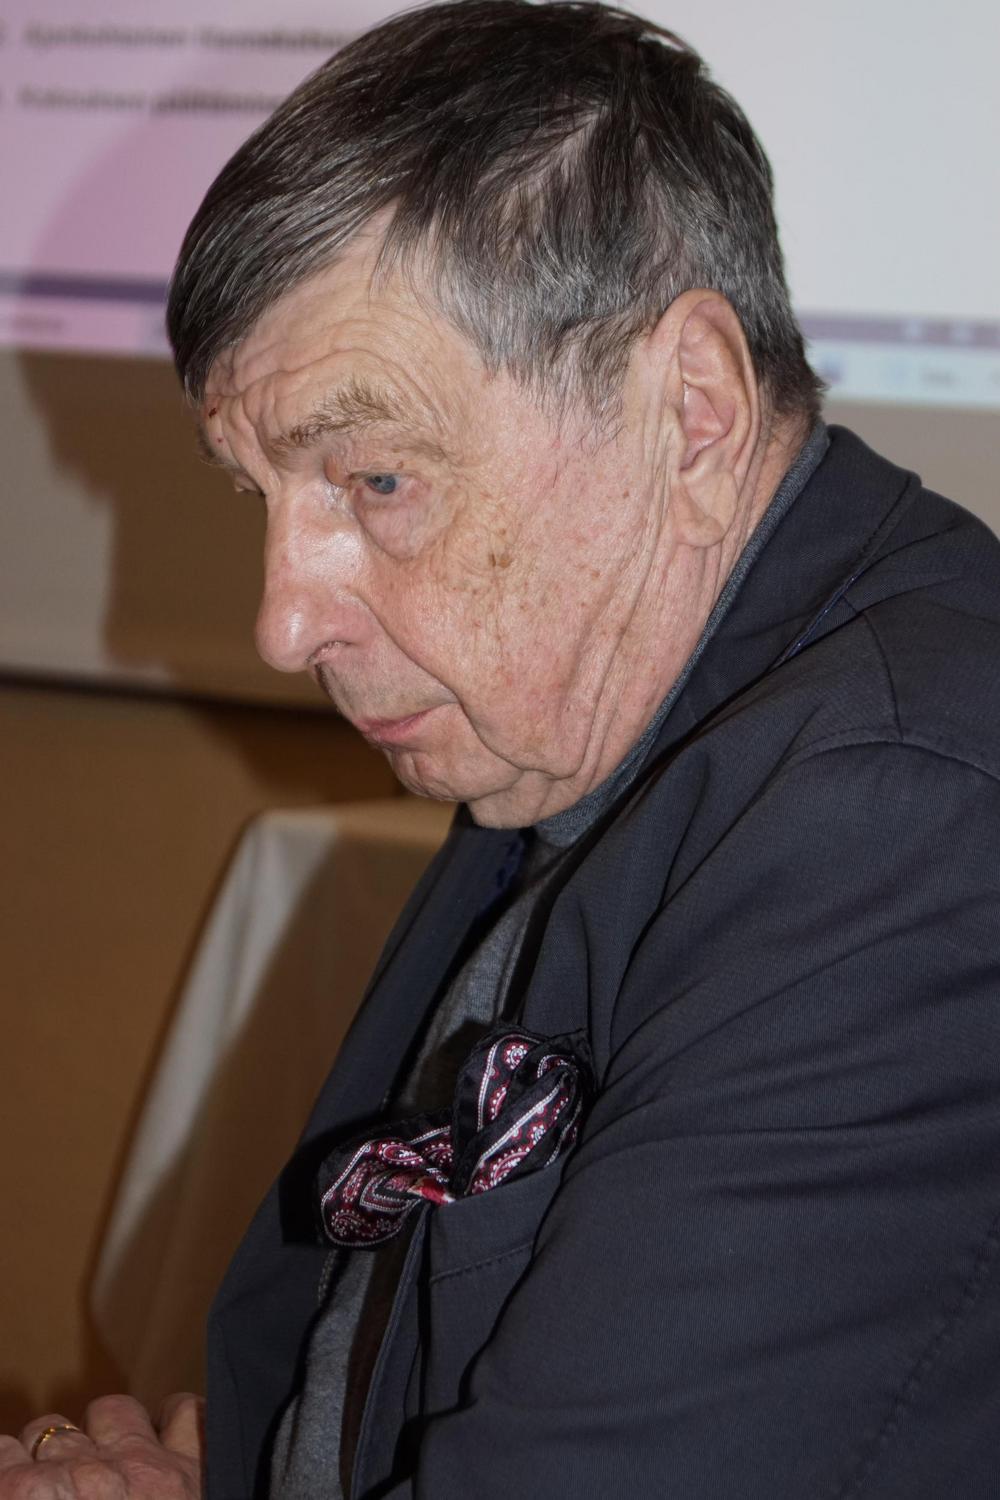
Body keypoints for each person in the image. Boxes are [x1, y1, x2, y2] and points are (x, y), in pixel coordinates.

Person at [5, 2, 999, 1496]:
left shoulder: (907, 826)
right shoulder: (584, 727)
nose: (282, 623)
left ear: (693, 413)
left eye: (377, 479)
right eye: (261, 496)